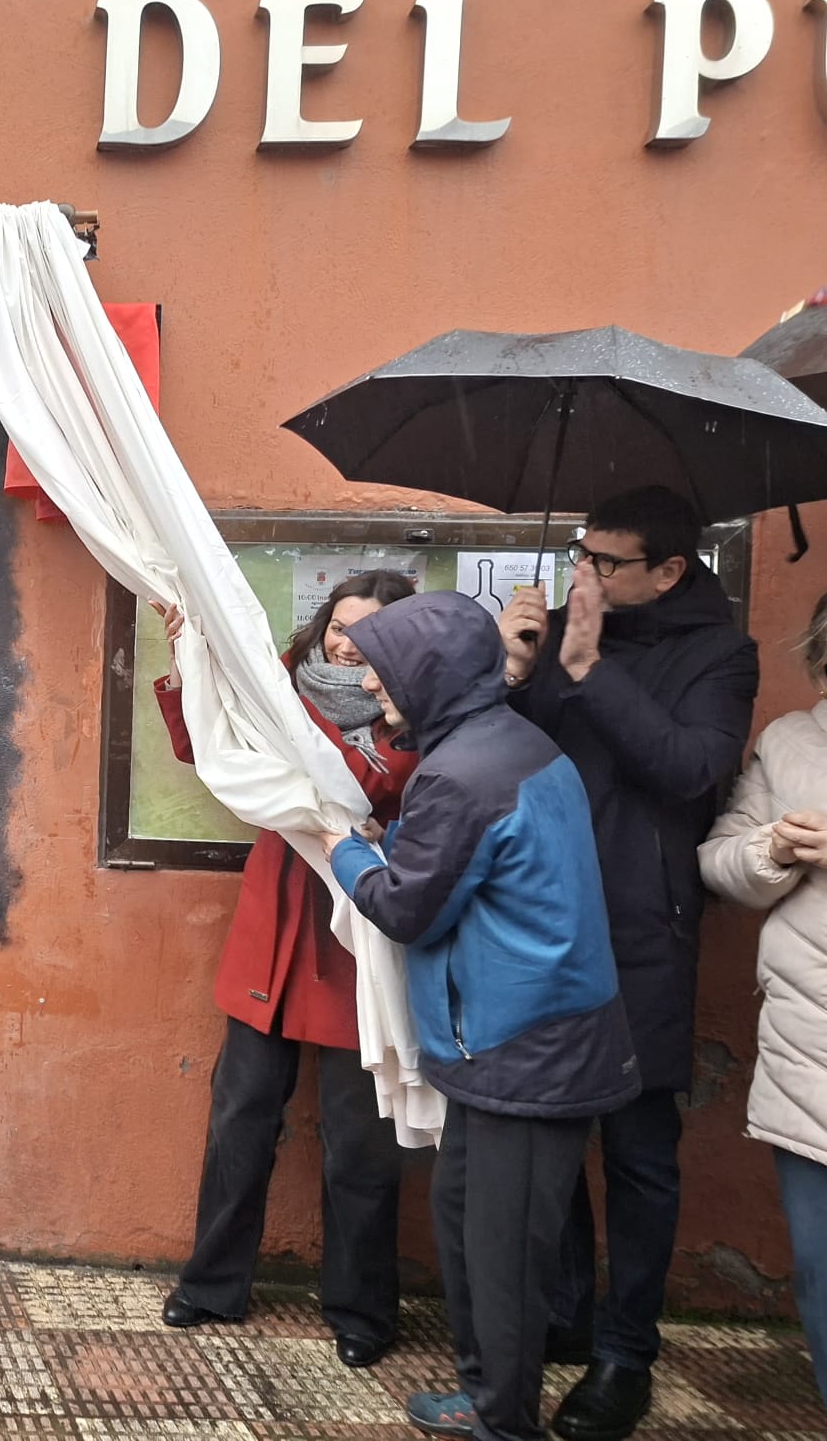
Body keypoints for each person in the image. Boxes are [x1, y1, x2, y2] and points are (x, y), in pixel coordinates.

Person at [321, 590, 642, 1441]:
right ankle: (485, 1393)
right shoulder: (507, 745)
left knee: (499, 1253)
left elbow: (407, 908)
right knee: (467, 1225)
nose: (378, 694)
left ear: (429, 676)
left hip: (527, 1048)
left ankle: (505, 1421)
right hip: (510, 1043)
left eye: (388, 678)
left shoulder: (465, 774)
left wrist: (348, 850)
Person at [497, 485, 758, 1441]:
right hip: (542, 924)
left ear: (669, 570)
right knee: (549, 1138)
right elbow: (507, 757)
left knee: (641, 1156)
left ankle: (623, 1353)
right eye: (581, 555)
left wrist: (588, 667)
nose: (586, 576)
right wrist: (519, 671)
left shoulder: (721, 653)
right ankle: (564, 1317)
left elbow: (692, 770)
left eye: (607, 563)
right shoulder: (559, 632)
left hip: (644, 935)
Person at [152, 571, 418, 1368]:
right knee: (238, 1124)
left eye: (367, 630)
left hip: (356, 953)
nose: (345, 642)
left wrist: (277, 712)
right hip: (272, 942)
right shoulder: (282, 688)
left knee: (359, 1148)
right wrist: (197, 667)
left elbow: (365, 785)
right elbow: (210, 748)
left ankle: (364, 1312)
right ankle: (211, 1284)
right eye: (338, 624)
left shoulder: (414, 722)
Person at [697, 592, 827, 1405]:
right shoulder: (789, 741)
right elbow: (719, 858)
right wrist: (770, 848)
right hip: (807, 1051)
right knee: (819, 1271)